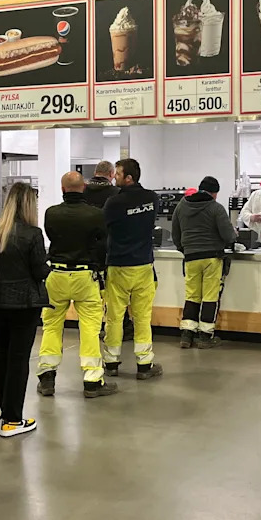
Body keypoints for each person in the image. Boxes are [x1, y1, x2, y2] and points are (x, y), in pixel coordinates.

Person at [0, 183, 49, 438]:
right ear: (29, 205)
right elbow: (39, 272)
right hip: (25, 304)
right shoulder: (33, 234)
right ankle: (13, 419)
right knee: (18, 359)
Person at [37, 172, 117, 399]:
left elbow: (52, 237)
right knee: (90, 328)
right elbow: (103, 245)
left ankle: (47, 378)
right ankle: (92, 380)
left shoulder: (51, 213)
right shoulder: (95, 215)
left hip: (57, 275)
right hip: (85, 276)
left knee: (51, 325)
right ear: (83, 188)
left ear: (63, 189)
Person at [101, 159, 163, 380]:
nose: (114, 177)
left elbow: (103, 228)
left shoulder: (113, 203)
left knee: (114, 317)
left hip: (118, 265)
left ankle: (111, 363)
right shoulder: (152, 198)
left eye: (117, 174)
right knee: (142, 317)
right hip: (143, 266)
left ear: (129, 178)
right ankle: (144, 364)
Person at [172, 176, 236, 349]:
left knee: (192, 295)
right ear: (214, 193)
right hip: (211, 258)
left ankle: (187, 334)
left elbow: (175, 234)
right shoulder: (216, 208)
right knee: (210, 296)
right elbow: (228, 236)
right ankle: (205, 336)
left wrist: (185, 249)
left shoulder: (181, 206)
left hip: (191, 258)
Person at [85, 161, 133, 342]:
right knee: (114, 293)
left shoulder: (82, 192)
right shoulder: (117, 194)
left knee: (93, 294)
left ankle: (94, 327)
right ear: (112, 174)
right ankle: (121, 326)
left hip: (88, 251)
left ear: (96, 173)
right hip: (111, 249)